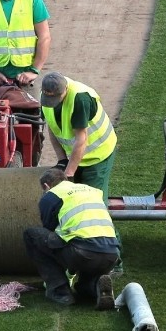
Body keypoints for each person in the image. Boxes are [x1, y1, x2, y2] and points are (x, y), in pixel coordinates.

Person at [39, 71, 123, 273]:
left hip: (97, 155)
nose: (51, 103)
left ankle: (116, 260)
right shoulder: (48, 99)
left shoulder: (80, 99)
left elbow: (81, 139)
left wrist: (68, 174)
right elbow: (53, 129)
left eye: (55, 99)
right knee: (72, 202)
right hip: (75, 153)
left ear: (65, 91)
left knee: (94, 205)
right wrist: (61, 160)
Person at [23, 168, 119, 308]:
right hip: (111, 254)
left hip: (82, 253)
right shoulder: (91, 190)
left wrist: (67, 270)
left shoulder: (51, 196)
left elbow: (50, 233)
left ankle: (60, 291)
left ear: (46, 186)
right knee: (83, 286)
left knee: (32, 235)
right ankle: (95, 287)